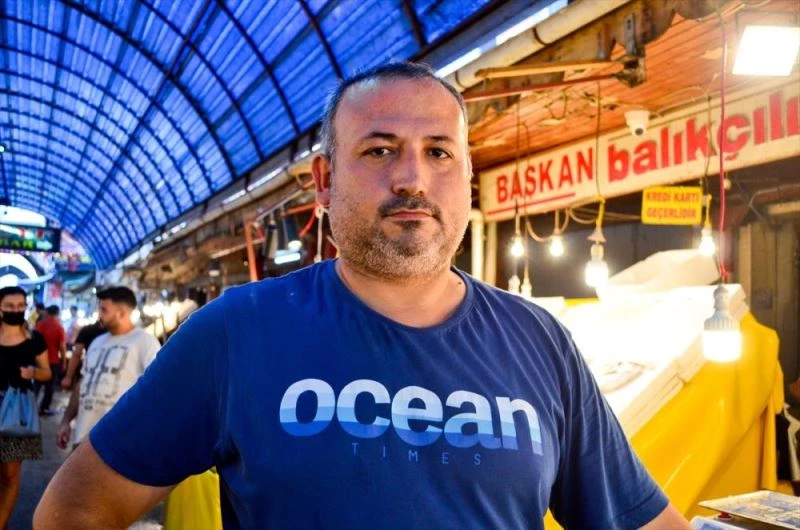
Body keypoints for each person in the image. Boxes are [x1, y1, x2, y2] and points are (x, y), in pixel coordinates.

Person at [35, 63, 691, 529]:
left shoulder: (540, 341)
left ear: (467, 174)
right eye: (379, 151)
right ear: (324, 179)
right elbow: (75, 507)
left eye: (439, 152)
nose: (412, 178)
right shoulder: (236, 331)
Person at [53, 287, 159, 452]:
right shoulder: (97, 342)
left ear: (122, 313)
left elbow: (156, 389)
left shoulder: (145, 342)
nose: (99, 315)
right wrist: (66, 420)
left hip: (119, 441)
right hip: (83, 438)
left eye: (104, 310)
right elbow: (83, 382)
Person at [0, 286, 51, 529]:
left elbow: (47, 373)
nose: (16, 310)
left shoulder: (34, 340)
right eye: (10, 306)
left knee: (10, 475)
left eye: (20, 305)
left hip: (18, 411)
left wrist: (33, 373)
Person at [34, 306, 67, 415]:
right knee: (49, 388)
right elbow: (62, 347)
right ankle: (44, 408)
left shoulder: (39, 325)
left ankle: (29, 406)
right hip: (53, 361)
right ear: (57, 313)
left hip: (38, 361)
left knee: (36, 386)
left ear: (47, 313)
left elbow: (32, 342)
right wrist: (64, 362)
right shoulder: (59, 328)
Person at [60, 319, 105, 391]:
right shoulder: (87, 330)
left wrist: (68, 377)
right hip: (91, 373)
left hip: (89, 373)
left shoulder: (87, 330)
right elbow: (76, 354)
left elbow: (76, 354)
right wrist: (68, 377)